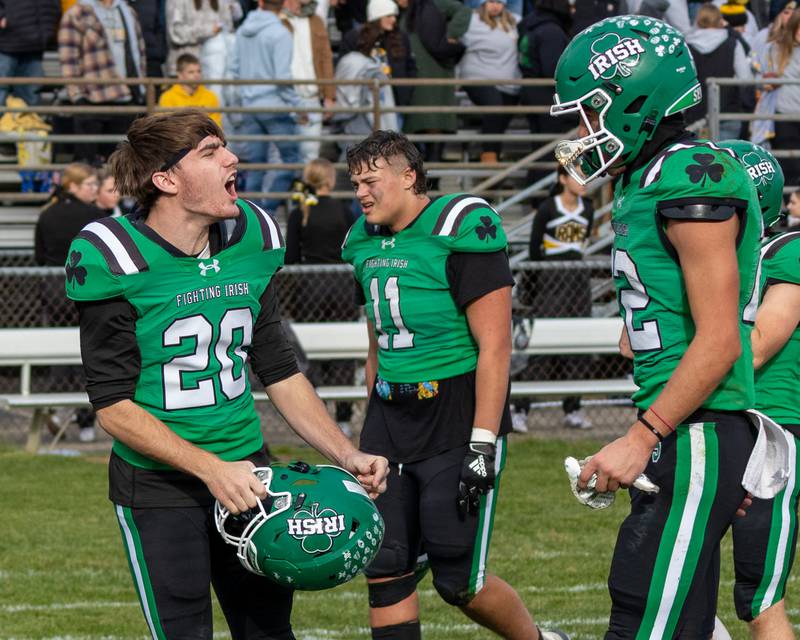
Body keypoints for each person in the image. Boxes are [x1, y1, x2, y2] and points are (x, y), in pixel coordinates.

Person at [63, 109, 388, 638]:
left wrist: (344, 452)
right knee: (185, 630)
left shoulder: (253, 235)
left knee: (267, 629)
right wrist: (212, 470)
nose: (231, 158)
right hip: (160, 484)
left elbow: (280, 369)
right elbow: (113, 406)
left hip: (251, 474)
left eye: (225, 147)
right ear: (166, 180)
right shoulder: (113, 254)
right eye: (210, 152)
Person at [551, 15, 763, 638]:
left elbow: (720, 337)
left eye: (593, 111)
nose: (585, 130)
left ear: (634, 96)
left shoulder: (691, 171)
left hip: (697, 430)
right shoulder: (643, 178)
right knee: (665, 614)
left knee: (645, 616)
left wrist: (641, 436)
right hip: (687, 429)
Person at [342, 130, 569, 640]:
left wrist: (482, 442)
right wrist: (369, 421)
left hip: (455, 411)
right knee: (384, 563)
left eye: (371, 180)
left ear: (408, 176)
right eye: (355, 182)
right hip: (390, 415)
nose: (361, 192)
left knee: (456, 575)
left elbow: (495, 346)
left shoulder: (461, 223)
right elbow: (377, 340)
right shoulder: (361, 239)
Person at [714, 141, 796, 640]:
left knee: (761, 601)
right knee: (671, 581)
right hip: (719, 425)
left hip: (772, 432)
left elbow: (760, 344)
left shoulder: (787, 252)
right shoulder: (729, 261)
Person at [518, 165, 594, 431]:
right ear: (563, 179)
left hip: (577, 282)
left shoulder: (588, 207)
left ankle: (573, 408)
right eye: (577, 176)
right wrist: (537, 283)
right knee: (541, 344)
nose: (584, 181)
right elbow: (534, 248)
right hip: (551, 280)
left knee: (578, 346)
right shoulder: (548, 208)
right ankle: (521, 409)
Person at [286, 158, 358, 434]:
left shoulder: (299, 211)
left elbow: (291, 256)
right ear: (329, 180)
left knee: (308, 354)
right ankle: (343, 418)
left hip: (309, 288)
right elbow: (351, 247)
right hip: (340, 286)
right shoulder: (344, 211)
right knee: (343, 355)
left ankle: (314, 420)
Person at [36, 163, 104, 442]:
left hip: (53, 289)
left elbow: (39, 254)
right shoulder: (94, 216)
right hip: (86, 288)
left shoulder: (47, 214)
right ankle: (86, 421)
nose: (95, 190)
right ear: (73, 186)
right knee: (90, 355)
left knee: (59, 355)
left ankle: (55, 407)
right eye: (89, 185)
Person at [228, 0, 302, 212]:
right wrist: (298, 106)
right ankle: (267, 211)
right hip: (274, 105)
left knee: (256, 166)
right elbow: (283, 78)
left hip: (249, 106)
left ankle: (252, 216)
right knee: (293, 161)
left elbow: (234, 69)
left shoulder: (242, 30)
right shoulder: (280, 33)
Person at [57, 0, 146, 164]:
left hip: (126, 97)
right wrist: (77, 95)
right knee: (87, 164)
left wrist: (139, 88)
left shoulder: (127, 11)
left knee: (121, 165)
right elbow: (68, 58)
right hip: (92, 97)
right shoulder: (76, 13)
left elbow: (139, 51)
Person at [457, 0, 520, 164]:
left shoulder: (514, 22)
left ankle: (493, 158)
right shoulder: (471, 20)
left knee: (502, 116)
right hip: (477, 76)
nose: (495, 6)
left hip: (508, 80)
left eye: (499, 2)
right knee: (495, 105)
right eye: (491, 1)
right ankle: (489, 154)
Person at [685, 3, 754, 140]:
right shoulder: (733, 43)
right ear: (720, 21)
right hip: (727, 112)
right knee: (725, 159)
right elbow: (746, 78)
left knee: (698, 159)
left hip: (694, 115)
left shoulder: (687, 46)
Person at [281, 0, 336, 163]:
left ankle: (306, 188)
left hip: (311, 97)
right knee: (282, 156)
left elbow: (326, 58)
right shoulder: (276, 19)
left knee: (310, 155)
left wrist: (329, 96)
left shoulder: (316, 21)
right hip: (284, 97)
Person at [0, 1, 62, 108]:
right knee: (2, 91)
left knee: (30, 94)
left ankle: (28, 123)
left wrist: (50, 22)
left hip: (36, 44)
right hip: (5, 43)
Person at [765, 7, 800, 186]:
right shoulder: (778, 49)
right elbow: (765, 75)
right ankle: (791, 207)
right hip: (784, 114)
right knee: (789, 166)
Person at [158, 52, 223, 127]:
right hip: (179, 138)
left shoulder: (210, 96)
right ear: (179, 75)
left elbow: (217, 126)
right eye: (191, 72)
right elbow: (165, 127)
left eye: (199, 71)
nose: (196, 75)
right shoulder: (167, 98)